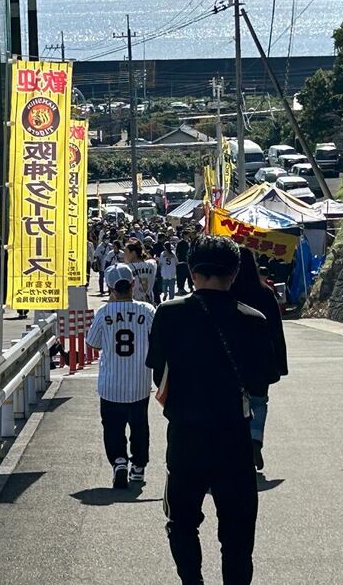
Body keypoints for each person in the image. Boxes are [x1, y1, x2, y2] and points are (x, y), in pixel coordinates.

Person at [148, 236, 276, 585]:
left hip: (186, 437)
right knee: (237, 531)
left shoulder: (169, 314)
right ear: (234, 273)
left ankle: (193, 581)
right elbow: (263, 378)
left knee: (182, 522)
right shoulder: (254, 319)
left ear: (191, 271)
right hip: (234, 437)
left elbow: (158, 371)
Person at [86, 264, 156, 488]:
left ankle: (119, 462)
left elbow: (93, 342)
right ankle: (138, 467)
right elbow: (157, 340)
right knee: (139, 427)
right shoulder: (147, 310)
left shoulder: (104, 313)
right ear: (133, 285)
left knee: (113, 427)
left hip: (111, 383)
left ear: (110, 288)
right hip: (139, 381)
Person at [229, 248, 287, 470]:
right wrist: (279, 363)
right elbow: (276, 331)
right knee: (259, 401)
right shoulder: (265, 294)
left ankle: (238, 446)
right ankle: (255, 440)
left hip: (233, 358)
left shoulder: (228, 293)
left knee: (233, 404)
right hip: (261, 358)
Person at [124, 240, 157, 305]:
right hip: (149, 304)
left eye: (126, 252)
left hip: (133, 305)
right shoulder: (151, 264)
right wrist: (141, 246)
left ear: (133, 253)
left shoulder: (127, 268)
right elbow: (151, 258)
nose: (124, 255)